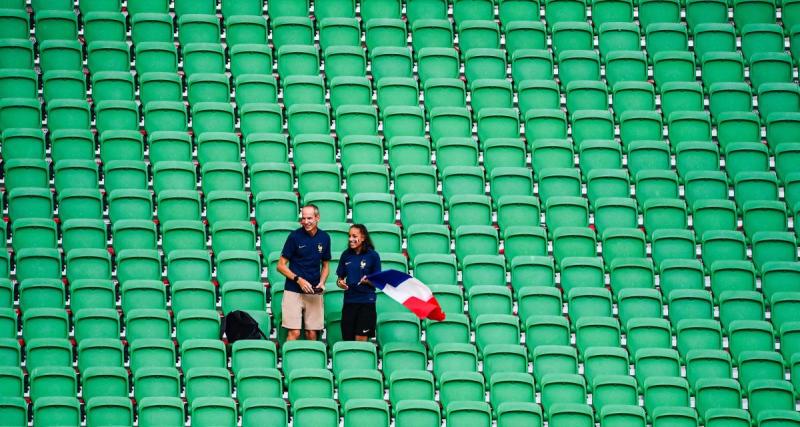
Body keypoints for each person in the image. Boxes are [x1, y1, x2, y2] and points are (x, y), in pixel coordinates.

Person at [277, 205, 331, 341]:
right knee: (294, 332)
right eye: (303, 218)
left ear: (317, 218)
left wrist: (322, 283)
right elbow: (280, 266)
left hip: (313, 292)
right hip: (293, 290)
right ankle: (288, 362)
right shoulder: (294, 237)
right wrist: (298, 280)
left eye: (309, 218)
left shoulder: (325, 238)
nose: (306, 221)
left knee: (312, 334)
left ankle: (312, 363)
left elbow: (325, 266)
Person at [336, 224, 382, 341]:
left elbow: (377, 282)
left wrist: (368, 281)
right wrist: (340, 283)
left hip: (366, 303)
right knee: (348, 340)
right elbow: (339, 279)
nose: (350, 239)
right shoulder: (345, 255)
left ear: (363, 237)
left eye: (354, 236)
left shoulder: (373, 256)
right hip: (349, 302)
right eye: (349, 236)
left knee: (360, 339)